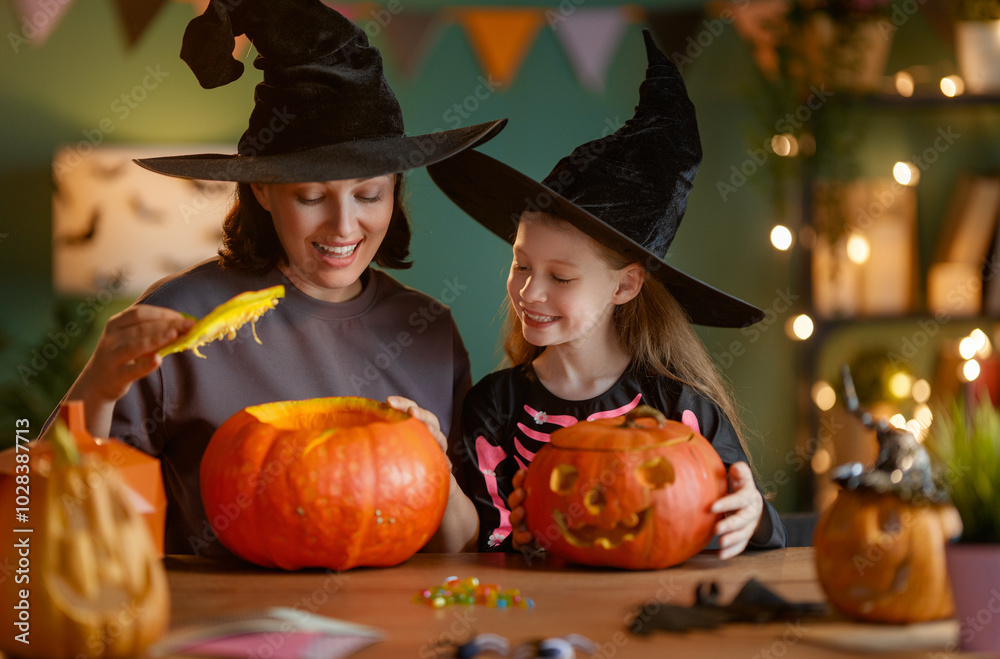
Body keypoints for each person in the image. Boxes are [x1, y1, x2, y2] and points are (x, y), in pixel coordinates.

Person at [54, 0, 504, 556]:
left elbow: (457, 549)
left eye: (369, 194)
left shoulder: (429, 329)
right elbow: (52, 507)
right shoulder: (181, 315)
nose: (344, 225)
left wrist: (434, 461)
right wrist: (96, 386)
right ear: (262, 190)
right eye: (312, 197)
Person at [428, 30, 786, 559]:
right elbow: (489, 541)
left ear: (625, 284)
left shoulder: (680, 409)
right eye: (521, 264)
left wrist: (751, 514)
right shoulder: (495, 407)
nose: (530, 290)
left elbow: (755, 527)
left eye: (562, 277)